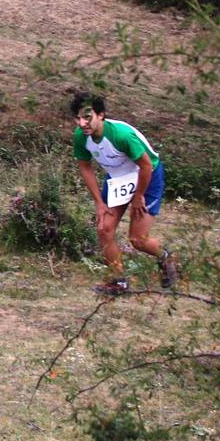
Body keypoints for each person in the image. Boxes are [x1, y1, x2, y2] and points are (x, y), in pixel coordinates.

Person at [71, 92, 178, 296]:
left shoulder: (120, 135)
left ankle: (166, 257)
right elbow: (85, 167)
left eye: (87, 117)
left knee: (138, 239)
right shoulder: (80, 137)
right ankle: (119, 281)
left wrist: (138, 197)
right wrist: (98, 202)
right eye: (78, 118)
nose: (82, 123)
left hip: (147, 175)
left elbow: (146, 166)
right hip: (118, 178)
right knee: (104, 229)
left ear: (100, 115)